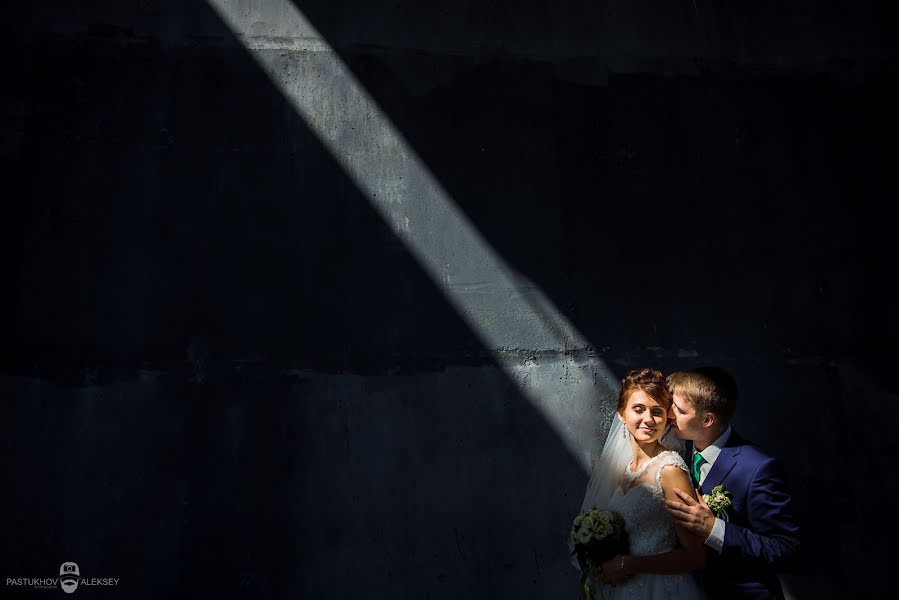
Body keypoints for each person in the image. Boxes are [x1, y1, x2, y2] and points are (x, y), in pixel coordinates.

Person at [664, 367, 799, 599]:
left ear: (707, 420)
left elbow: (786, 549)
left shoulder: (758, 468)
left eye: (679, 410)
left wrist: (714, 528)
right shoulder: (678, 450)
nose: (669, 414)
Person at [576, 368, 706, 599]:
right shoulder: (623, 468)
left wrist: (630, 564)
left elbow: (696, 556)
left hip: (658, 590)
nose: (648, 419)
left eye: (657, 411)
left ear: (667, 419)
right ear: (621, 414)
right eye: (639, 409)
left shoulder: (670, 470)